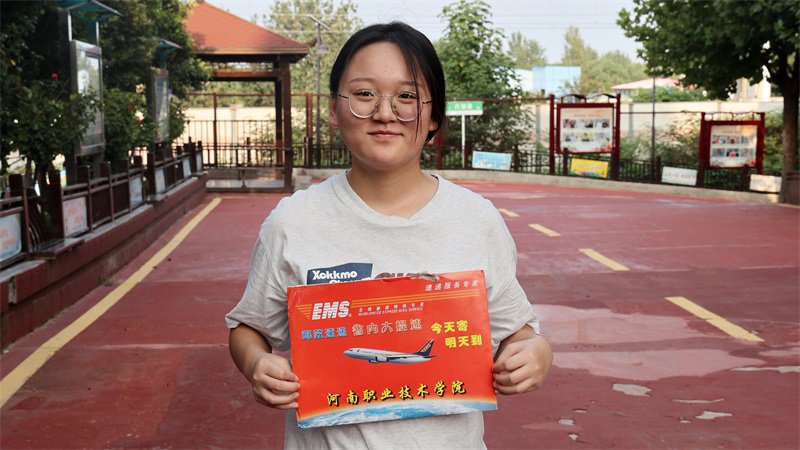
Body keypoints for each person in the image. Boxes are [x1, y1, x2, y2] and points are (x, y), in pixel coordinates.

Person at [226, 21, 553, 449]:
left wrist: (537, 353)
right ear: (334, 108)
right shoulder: (293, 222)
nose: (385, 113)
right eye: (364, 94)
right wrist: (256, 363)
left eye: (407, 97)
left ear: (434, 115)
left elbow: (519, 332)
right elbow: (248, 328)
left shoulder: (477, 220)